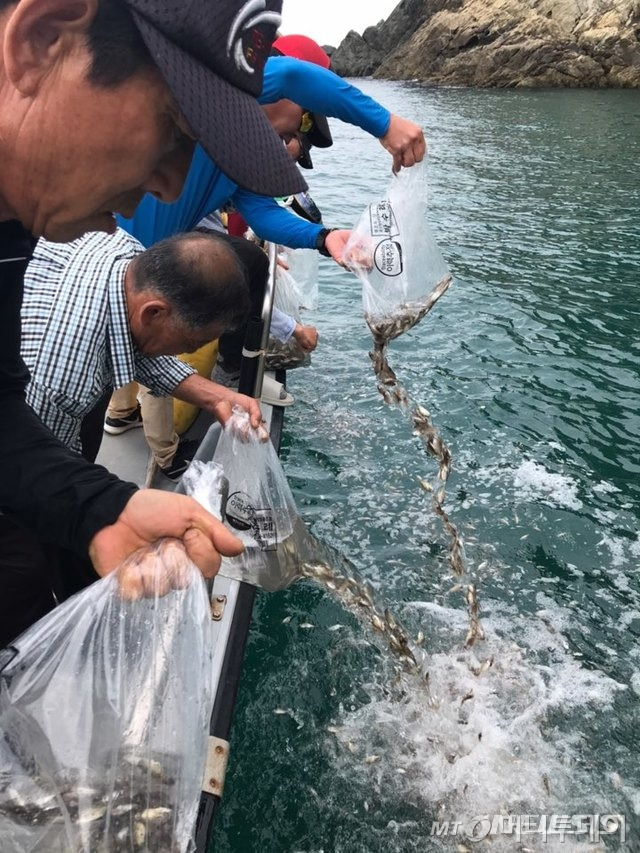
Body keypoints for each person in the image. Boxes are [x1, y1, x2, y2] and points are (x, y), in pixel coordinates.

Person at [0, 0, 306, 648]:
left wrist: (105, 509)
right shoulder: (59, 371)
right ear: (40, 40)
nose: (169, 189)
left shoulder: (28, 225)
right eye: (172, 130)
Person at [117, 36, 426, 383]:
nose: (299, 131)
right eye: (307, 117)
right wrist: (384, 124)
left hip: (138, 278)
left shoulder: (243, 153)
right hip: (103, 265)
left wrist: (323, 238)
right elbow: (294, 75)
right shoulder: (218, 95)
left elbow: (263, 216)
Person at [21, 229, 265, 480]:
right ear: (154, 313)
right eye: (190, 343)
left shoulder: (127, 254)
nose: (188, 352)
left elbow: (134, 341)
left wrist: (216, 397)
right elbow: (39, 477)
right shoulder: (63, 383)